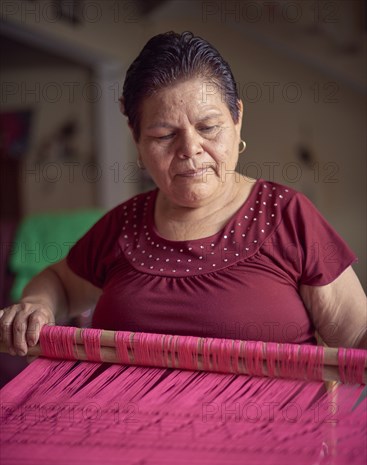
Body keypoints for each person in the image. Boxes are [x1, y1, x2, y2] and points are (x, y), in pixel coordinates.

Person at [0, 31, 366, 356]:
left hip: (270, 432)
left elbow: (358, 335)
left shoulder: (288, 216)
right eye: (163, 135)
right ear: (137, 140)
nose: (190, 148)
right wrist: (36, 304)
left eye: (208, 127)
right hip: (126, 430)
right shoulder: (124, 225)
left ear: (236, 117)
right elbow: (60, 283)